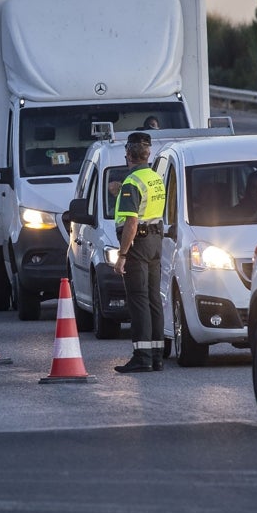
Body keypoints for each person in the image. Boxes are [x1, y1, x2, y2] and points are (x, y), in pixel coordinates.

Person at [112, 132, 168, 373]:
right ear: (147, 155)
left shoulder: (131, 183)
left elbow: (131, 222)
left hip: (139, 244)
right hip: (156, 241)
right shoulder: (155, 177)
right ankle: (156, 356)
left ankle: (142, 356)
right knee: (153, 298)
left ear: (128, 155)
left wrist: (122, 255)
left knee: (138, 299)